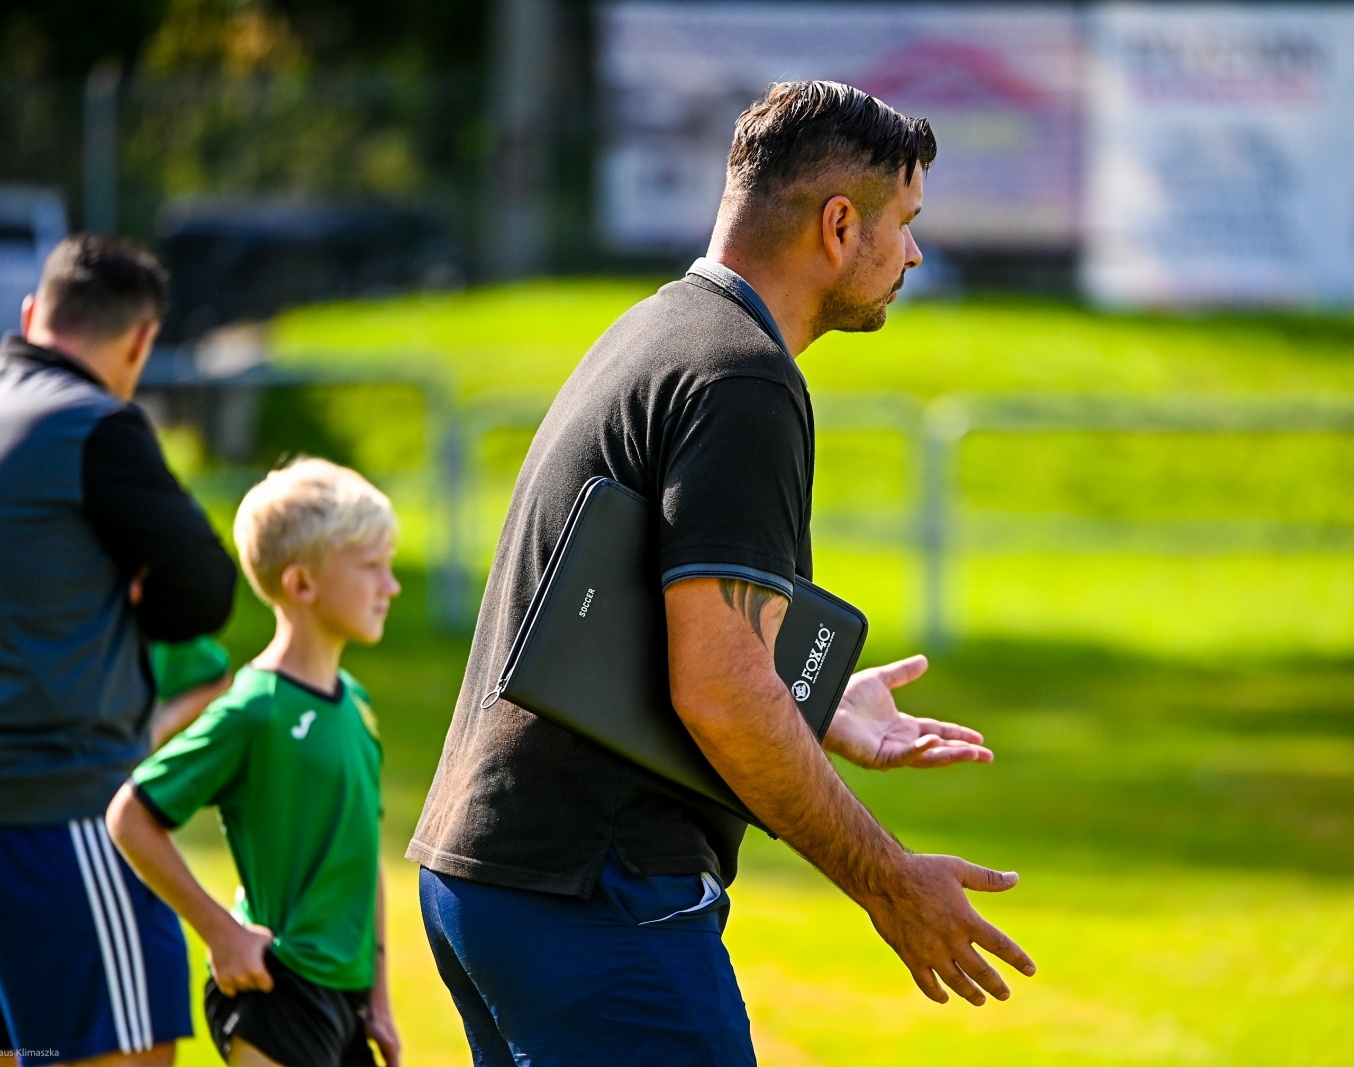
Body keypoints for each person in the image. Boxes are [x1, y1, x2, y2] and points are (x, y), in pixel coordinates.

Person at [410, 80, 1035, 1067]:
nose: (912, 252)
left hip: (490, 874)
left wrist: (814, 698)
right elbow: (717, 687)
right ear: (839, 225)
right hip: (597, 889)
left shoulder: (658, 327)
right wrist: (887, 877)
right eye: (903, 223)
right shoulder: (744, 377)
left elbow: (644, 621)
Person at [0, 235, 237, 1067]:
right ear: (140, 341)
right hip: (61, 807)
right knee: (130, 1053)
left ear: (31, 316)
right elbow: (205, 592)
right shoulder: (96, 424)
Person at [107, 459, 403, 1067]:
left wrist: (378, 997)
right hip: (276, 987)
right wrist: (220, 933)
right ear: (302, 585)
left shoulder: (358, 707)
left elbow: (363, 851)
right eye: (372, 567)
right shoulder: (255, 709)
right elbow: (130, 816)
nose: (391, 586)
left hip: (346, 1005)